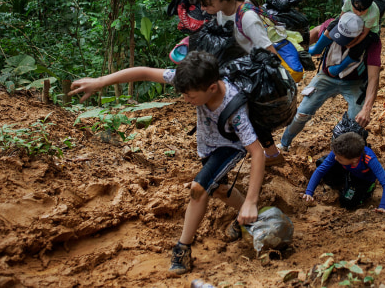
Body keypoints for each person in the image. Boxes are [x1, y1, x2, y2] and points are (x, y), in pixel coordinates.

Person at [68, 51, 265, 277]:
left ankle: (182, 249)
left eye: (190, 96)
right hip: (207, 145)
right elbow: (144, 72)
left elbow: (256, 152)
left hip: (229, 147)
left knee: (199, 188)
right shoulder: (193, 79)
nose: (185, 100)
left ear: (211, 88)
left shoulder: (234, 108)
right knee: (218, 189)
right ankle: (247, 217)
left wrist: (252, 200)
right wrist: (101, 81)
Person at [194, 0, 285, 166]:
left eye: (207, 3)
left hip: (251, 76)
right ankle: (269, 153)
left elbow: (271, 54)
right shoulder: (222, 12)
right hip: (237, 70)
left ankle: (269, 154)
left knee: (244, 114)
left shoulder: (248, 18)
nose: (203, 8)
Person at [279, 13, 382, 151]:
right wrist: (295, 49)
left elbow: (374, 77)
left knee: (354, 124)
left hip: (355, 83)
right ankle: (284, 144)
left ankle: (344, 154)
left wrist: (366, 109)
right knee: (302, 113)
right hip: (326, 77)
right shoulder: (331, 25)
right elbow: (315, 33)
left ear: (360, 36)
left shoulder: (371, 42)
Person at [302, 132, 385, 212]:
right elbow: (320, 170)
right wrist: (309, 192)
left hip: (362, 179)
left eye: (339, 158)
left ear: (355, 160)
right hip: (347, 170)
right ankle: (342, 185)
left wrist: (383, 206)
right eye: (336, 155)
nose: (335, 158)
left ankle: (366, 191)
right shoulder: (338, 152)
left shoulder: (369, 159)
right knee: (322, 163)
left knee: (347, 202)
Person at [309, 0, 380, 76]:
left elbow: (364, 33)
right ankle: (318, 48)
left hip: (367, 30)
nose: (358, 13)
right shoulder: (348, 1)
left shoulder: (373, 13)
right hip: (349, 21)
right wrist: (341, 27)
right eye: (356, 9)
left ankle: (340, 67)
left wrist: (352, 44)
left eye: (362, 11)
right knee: (333, 24)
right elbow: (341, 16)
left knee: (361, 46)